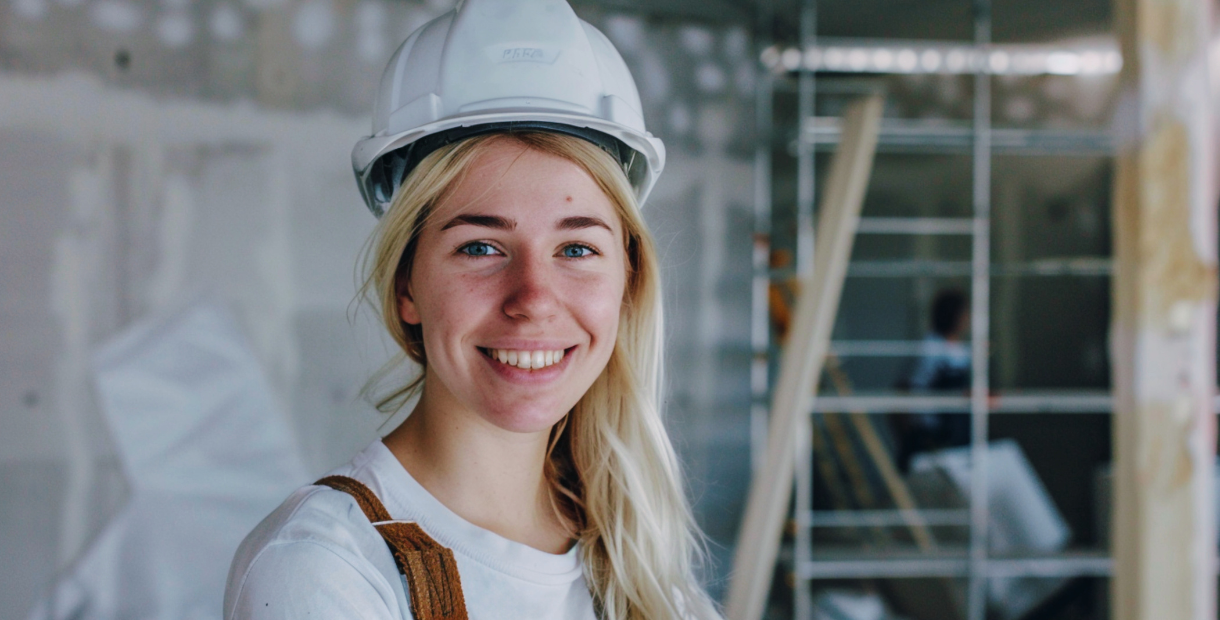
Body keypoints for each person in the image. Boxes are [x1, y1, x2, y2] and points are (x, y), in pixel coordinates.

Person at [223, 1, 721, 619]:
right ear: (407, 284)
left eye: (576, 247)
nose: (533, 301)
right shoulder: (325, 569)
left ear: (627, 278)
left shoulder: (632, 551)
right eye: (480, 247)